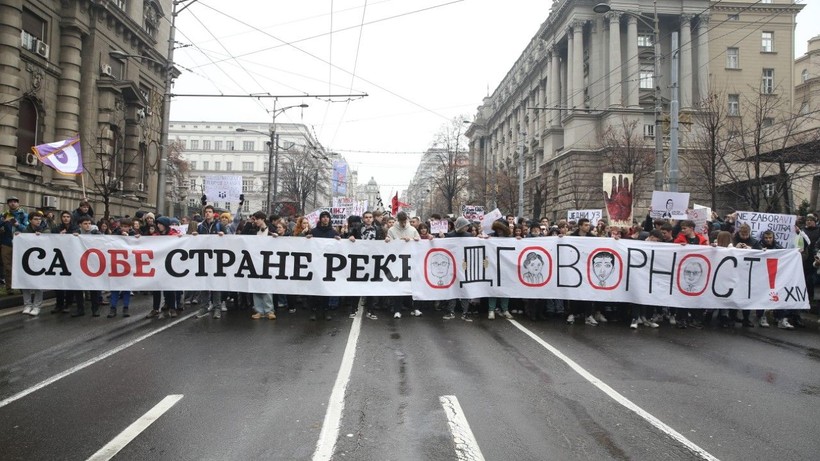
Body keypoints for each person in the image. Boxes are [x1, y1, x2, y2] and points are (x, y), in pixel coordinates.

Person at [146, 216, 183, 319]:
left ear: (165, 225)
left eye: (160, 224)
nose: (158, 226)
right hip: (158, 265)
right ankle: (155, 309)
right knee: (156, 288)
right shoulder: (155, 236)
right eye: (157, 224)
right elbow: (146, 244)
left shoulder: (173, 235)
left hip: (169, 265)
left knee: (169, 288)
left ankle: (172, 308)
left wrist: (181, 238)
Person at [307, 210, 341, 320]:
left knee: (326, 289)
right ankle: (313, 311)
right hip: (316, 264)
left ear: (329, 219)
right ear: (320, 219)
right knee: (314, 289)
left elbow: (338, 248)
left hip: (328, 265)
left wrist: (339, 240)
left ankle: (326, 311)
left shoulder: (333, 232)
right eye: (323, 217)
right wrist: (307, 239)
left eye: (327, 217)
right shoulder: (314, 231)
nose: (325, 219)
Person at [442, 216, 473, 322]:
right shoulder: (450, 235)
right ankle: (451, 311)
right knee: (452, 289)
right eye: (465, 226)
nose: (467, 228)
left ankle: (466, 312)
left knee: (465, 289)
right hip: (452, 267)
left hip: (465, 266)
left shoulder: (469, 236)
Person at [18, 211, 49, 316]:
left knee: (38, 284)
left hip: (41, 261)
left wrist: (43, 236)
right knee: (25, 283)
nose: (38, 221)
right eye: (35, 219)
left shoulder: (45, 229)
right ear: (30, 220)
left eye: (39, 219)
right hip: (28, 261)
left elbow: (50, 239)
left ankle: (37, 306)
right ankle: (27, 305)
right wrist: (18, 236)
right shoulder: (25, 230)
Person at [72, 215, 102, 317]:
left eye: (89, 223)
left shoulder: (96, 233)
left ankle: (95, 309)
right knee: (78, 288)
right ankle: (80, 309)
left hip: (93, 265)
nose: (88, 225)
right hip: (79, 265)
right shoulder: (76, 234)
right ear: (80, 225)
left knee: (94, 287)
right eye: (85, 224)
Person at [1, 196, 28, 295]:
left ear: (18, 204)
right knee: (7, 266)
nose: (12, 203)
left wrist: (17, 225)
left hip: (20, 244)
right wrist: (3, 222)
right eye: (10, 202)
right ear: (8, 204)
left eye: (15, 202)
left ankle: (22, 287)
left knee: (21, 265)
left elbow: (26, 228)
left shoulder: (23, 215)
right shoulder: (4, 215)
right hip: (6, 243)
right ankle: (9, 288)